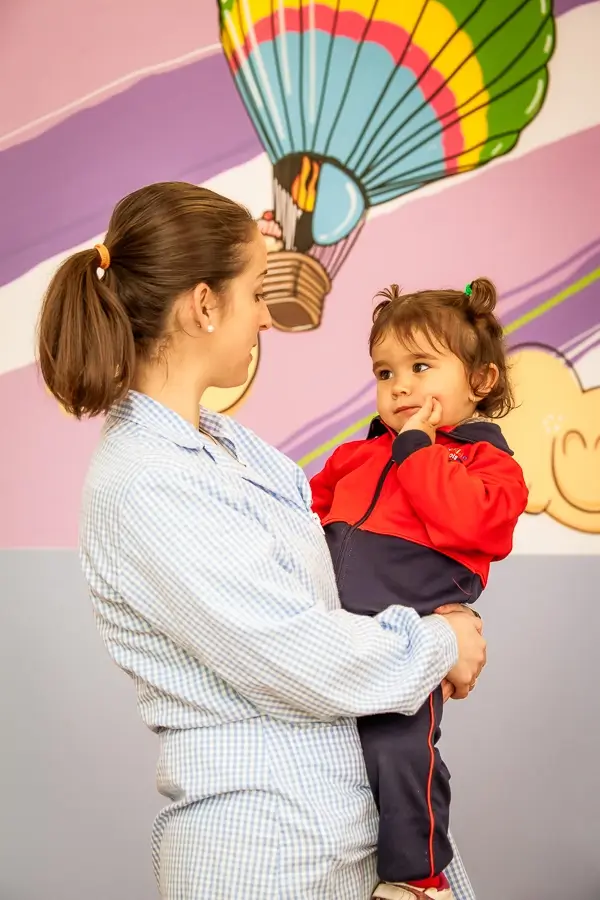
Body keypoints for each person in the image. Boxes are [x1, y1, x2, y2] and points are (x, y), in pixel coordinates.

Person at [37, 181, 486, 900]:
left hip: (327, 830)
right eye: (254, 294)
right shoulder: (148, 483)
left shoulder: (226, 448)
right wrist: (440, 643)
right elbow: (297, 654)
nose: (265, 321)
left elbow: (327, 600)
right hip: (267, 853)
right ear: (204, 304)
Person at [310, 282, 529, 900]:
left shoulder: (488, 467)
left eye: (421, 367)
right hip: (334, 635)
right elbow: (303, 518)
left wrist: (415, 450)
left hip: (409, 643)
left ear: (480, 381)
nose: (400, 385)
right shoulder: (355, 456)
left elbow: (468, 523)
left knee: (401, 753)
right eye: (386, 371)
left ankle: (417, 880)